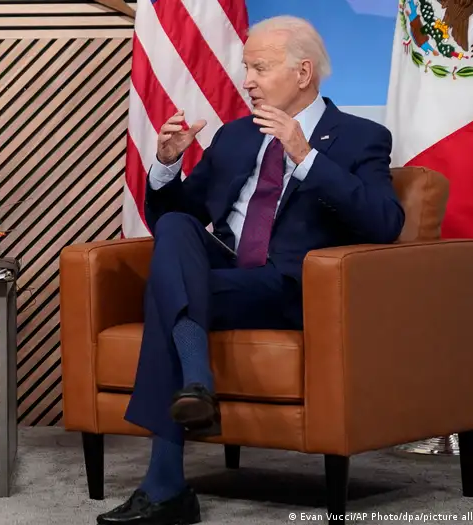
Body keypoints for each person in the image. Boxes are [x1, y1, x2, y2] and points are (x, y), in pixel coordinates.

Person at [97, 16, 404, 525]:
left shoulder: (358, 137)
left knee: (165, 295)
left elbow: (385, 223)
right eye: (246, 68)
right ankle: (195, 382)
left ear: (303, 72)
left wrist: (305, 156)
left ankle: (167, 484)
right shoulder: (236, 137)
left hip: (291, 286)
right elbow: (180, 219)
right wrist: (168, 166)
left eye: (259, 68)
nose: (247, 81)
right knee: (175, 226)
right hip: (229, 275)